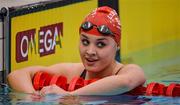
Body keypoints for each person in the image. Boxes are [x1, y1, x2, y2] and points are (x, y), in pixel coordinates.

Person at [7, 6, 146, 96]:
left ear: (118, 45)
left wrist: (70, 96)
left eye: (101, 44)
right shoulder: (74, 72)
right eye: (85, 42)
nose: (90, 51)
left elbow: (125, 82)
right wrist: (33, 98)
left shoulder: (129, 70)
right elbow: (16, 75)